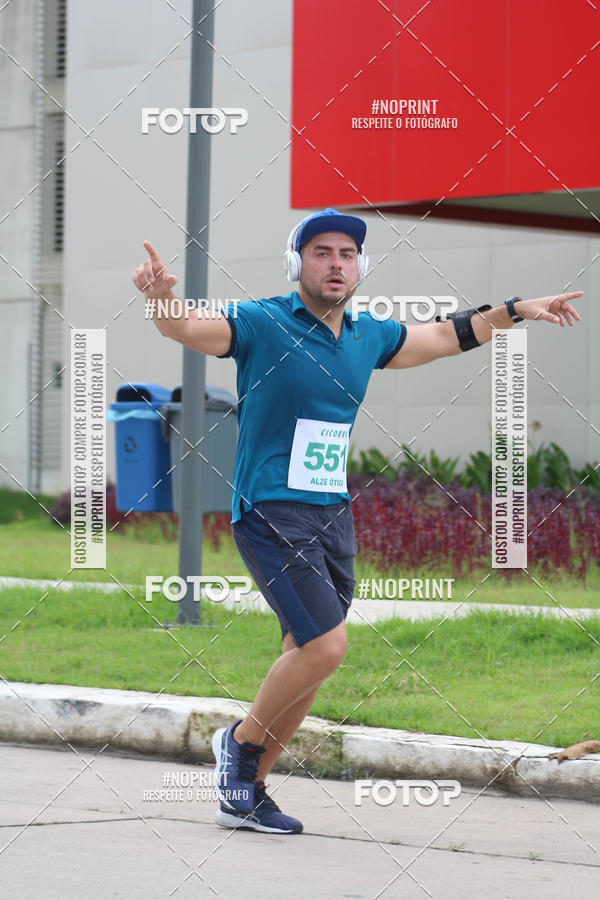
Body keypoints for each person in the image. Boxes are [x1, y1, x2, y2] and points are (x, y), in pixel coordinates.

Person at [132, 207, 582, 835]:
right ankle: (238, 745)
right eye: (321, 252)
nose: (335, 263)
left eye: (346, 253)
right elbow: (187, 329)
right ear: (298, 264)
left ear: (360, 266)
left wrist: (518, 308)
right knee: (326, 644)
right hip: (269, 508)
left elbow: (449, 335)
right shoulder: (262, 321)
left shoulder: (367, 336)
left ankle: (248, 792)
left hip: (329, 513)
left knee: (307, 654)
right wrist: (162, 303)